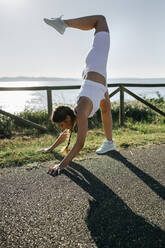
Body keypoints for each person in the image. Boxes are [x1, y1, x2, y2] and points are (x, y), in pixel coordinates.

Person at [42, 15, 115, 176]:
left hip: (95, 66)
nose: (62, 128)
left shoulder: (81, 111)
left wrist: (60, 166)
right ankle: (109, 142)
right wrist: (50, 149)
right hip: (97, 80)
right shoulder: (75, 115)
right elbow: (66, 135)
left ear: (67, 119)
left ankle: (62, 23)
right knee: (106, 111)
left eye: (61, 125)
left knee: (101, 20)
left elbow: (80, 144)